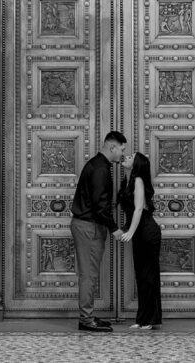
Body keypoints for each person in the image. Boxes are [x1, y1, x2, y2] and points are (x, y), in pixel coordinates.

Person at [70, 130, 126, 332]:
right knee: (88, 275)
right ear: (112, 147)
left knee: (90, 274)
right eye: (121, 149)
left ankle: (88, 315)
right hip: (88, 227)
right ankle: (86, 320)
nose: (122, 154)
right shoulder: (100, 168)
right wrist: (114, 229)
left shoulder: (99, 165)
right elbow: (99, 205)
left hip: (88, 225)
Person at [118, 151, 162, 330]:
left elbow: (138, 210)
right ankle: (142, 319)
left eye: (131, 157)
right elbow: (130, 212)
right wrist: (127, 230)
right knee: (141, 276)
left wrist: (130, 232)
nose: (126, 157)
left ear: (136, 164)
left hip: (147, 232)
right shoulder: (126, 181)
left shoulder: (138, 181)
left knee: (149, 276)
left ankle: (150, 320)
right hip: (139, 232)